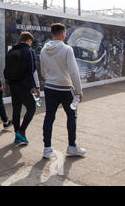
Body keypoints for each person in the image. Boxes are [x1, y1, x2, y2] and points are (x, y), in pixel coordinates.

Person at [40, 23, 86, 158]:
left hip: (50, 88)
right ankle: (72, 146)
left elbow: (43, 71)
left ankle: (47, 149)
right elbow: (74, 72)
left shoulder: (44, 50)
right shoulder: (67, 49)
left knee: (49, 117)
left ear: (52, 33)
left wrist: (50, 78)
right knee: (72, 116)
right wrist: (78, 90)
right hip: (66, 89)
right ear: (63, 33)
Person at [4, 31, 41, 145]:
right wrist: (36, 88)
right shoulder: (29, 51)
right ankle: (21, 131)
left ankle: (17, 135)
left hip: (13, 86)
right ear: (29, 40)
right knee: (32, 108)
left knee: (16, 110)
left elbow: (6, 70)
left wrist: (9, 82)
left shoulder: (11, 51)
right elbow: (32, 71)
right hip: (24, 86)